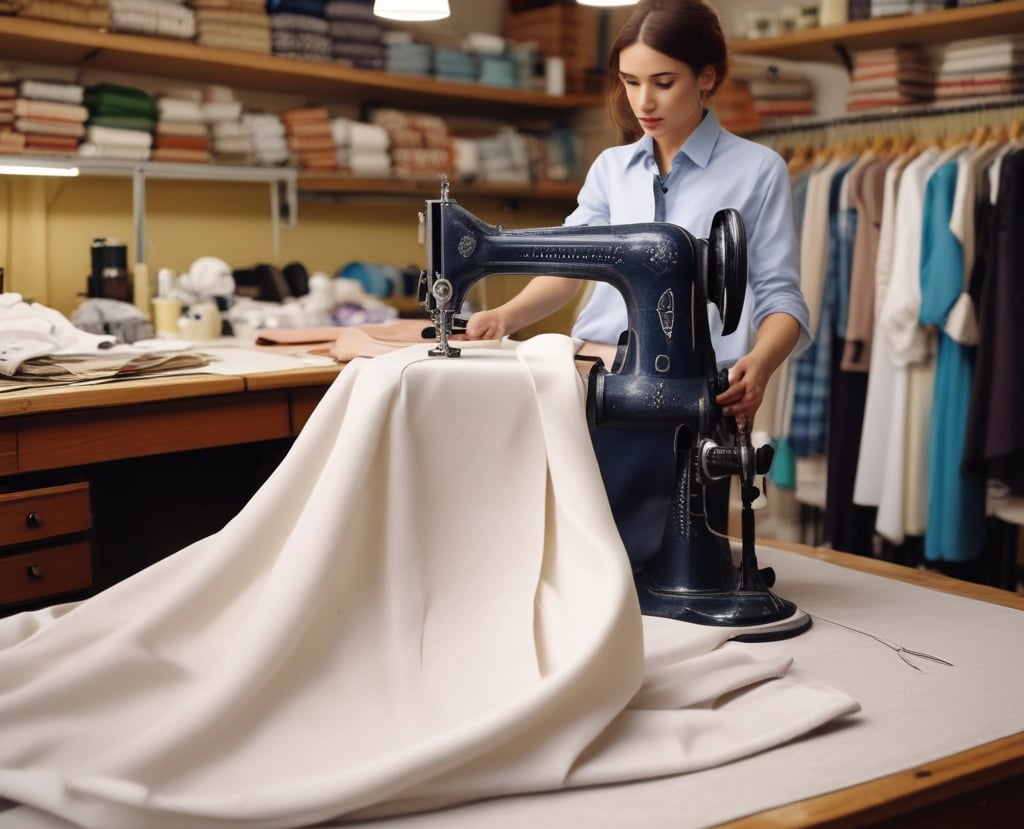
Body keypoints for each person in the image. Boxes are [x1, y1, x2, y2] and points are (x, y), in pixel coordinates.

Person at [465, 0, 811, 568]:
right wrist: (506, 316)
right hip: (594, 384)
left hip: (692, 394)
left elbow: (781, 294)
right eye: (630, 82)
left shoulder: (758, 170)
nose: (643, 102)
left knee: (669, 563)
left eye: (663, 82)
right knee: (588, 559)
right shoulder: (610, 168)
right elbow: (569, 265)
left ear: (706, 77)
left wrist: (762, 361)